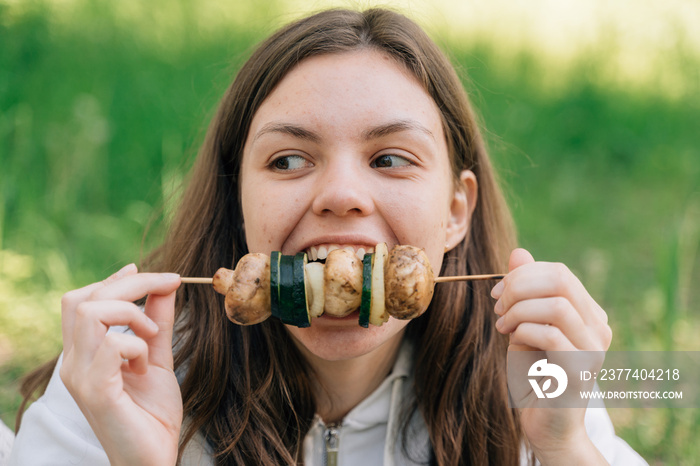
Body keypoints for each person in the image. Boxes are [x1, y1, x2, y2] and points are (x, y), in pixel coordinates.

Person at [9, 7, 647, 465]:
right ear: (237, 202)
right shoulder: (121, 372)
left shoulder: (534, 370)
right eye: (288, 160)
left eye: (390, 158)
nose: (341, 195)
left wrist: (564, 448)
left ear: (457, 211)